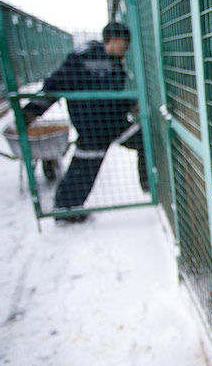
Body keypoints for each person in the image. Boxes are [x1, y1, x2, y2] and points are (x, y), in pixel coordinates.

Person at [22, 22, 147, 223]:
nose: (127, 48)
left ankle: (149, 185)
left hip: (114, 123)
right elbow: (55, 85)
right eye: (125, 43)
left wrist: (130, 104)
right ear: (114, 40)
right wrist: (31, 112)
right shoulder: (83, 58)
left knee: (145, 140)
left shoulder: (114, 61)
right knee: (85, 168)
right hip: (93, 127)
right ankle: (65, 209)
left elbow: (109, 94)